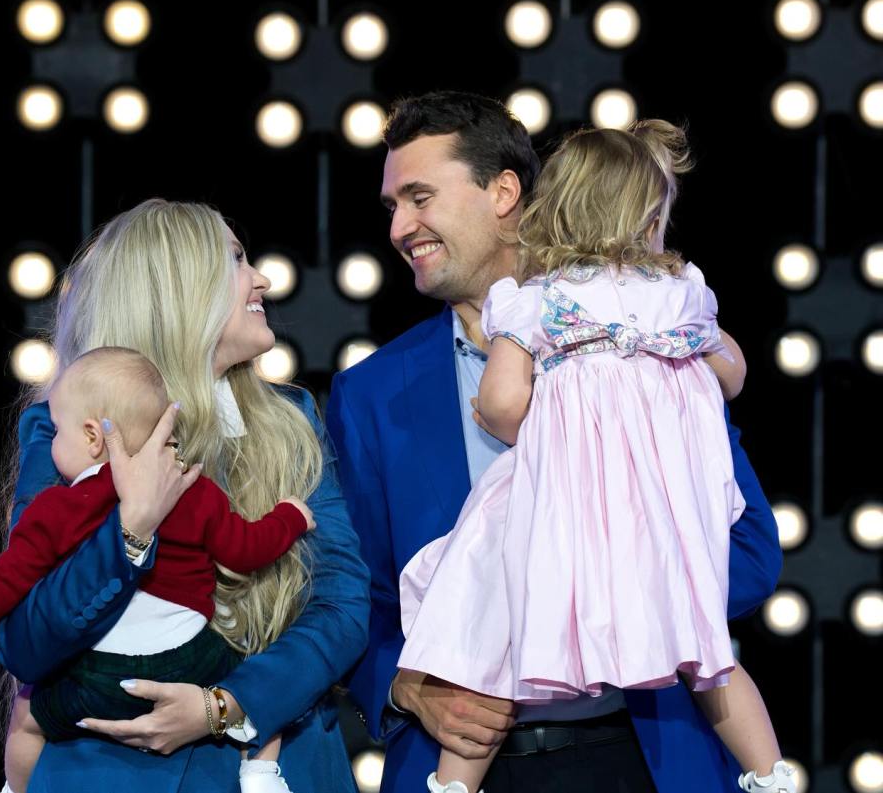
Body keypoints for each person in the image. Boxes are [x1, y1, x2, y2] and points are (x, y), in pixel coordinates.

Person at [326, 91, 782, 793]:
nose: (399, 227)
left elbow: (749, 550)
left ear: (504, 192)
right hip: (469, 759)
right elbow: (356, 597)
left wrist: (597, 590)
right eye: (392, 207)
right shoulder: (370, 394)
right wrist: (405, 686)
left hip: (645, 752)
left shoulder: (649, 337)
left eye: (419, 197)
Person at [0, 199, 370, 792]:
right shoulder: (65, 431)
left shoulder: (293, 418)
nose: (262, 280)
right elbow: (23, 640)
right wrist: (132, 530)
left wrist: (226, 705)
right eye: (235, 260)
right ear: (174, 291)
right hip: (112, 774)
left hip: (280, 765)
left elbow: (342, 604)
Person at [0, 346, 316, 793]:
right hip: (190, 661)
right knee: (252, 684)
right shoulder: (196, 490)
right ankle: (260, 773)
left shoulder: (60, 506)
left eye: (57, 431)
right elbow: (245, 549)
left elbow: (6, 580)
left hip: (101, 677)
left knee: (26, 716)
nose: (52, 442)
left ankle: (17, 787)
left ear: (92, 436)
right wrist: (291, 518)